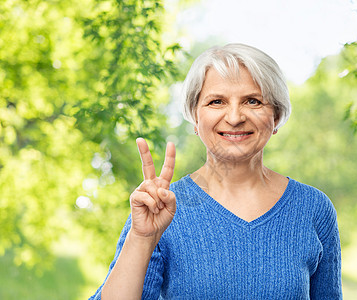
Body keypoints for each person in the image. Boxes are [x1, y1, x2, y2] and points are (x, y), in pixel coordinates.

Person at [90, 43, 342, 299]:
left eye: (252, 101)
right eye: (216, 101)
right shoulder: (160, 207)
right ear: (195, 117)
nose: (234, 117)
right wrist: (142, 238)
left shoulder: (314, 208)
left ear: (275, 116)